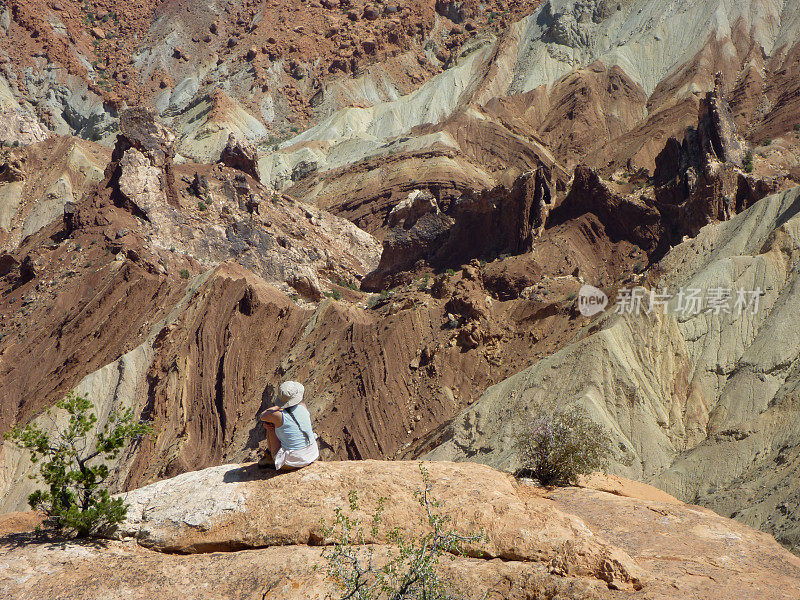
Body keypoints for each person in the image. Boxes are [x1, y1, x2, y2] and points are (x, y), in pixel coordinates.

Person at [259, 381, 319, 471]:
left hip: (292, 462)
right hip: (312, 455)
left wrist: (278, 406)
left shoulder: (278, 416)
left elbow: (263, 416)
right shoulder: (303, 406)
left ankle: (270, 458)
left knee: (270, 425)